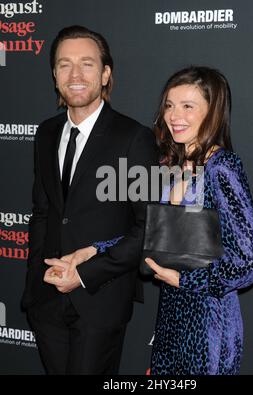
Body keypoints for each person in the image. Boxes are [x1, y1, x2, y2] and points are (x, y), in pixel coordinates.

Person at [21, 25, 158, 375]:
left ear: (106, 74)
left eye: (87, 63)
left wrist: (83, 275)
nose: (76, 74)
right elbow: (43, 212)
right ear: (54, 75)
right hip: (47, 299)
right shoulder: (46, 132)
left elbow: (149, 229)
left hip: (101, 300)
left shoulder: (135, 138)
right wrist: (36, 279)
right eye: (65, 64)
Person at [145, 66, 253, 375]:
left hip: (209, 322)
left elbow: (252, 260)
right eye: (170, 105)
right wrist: (98, 249)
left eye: (188, 106)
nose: (174, 115)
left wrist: (185, 280)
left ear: (212, 112)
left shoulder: (222, 167)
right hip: (171, 316)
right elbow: (155, 237)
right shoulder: (172, 165)